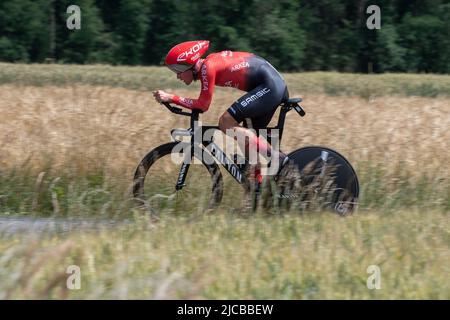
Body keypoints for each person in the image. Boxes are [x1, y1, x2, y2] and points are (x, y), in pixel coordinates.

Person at [153, 40, 289, 181]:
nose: (177, 76)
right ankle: (257, 190)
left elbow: (203, 105)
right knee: (247, 142)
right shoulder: (208, 65)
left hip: (271, 86)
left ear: (189, 65)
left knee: (226, 122)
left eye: (178, 71)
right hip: (271, 85)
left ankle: (276, 158)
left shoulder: (207, 67)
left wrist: (171, 97)